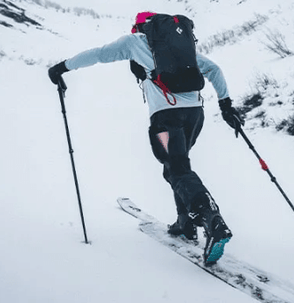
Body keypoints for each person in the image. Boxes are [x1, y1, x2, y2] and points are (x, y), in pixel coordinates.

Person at [47, 11, 244, 266]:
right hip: (195, 117)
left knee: (177, 168)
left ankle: (210, 218)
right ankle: (185, 223)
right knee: (177, 167)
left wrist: (61, 68)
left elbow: (97, 54)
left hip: (166, 120)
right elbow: (214, 70)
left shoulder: (135, 42)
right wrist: (226, 105)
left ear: (140, 28)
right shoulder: (180, 50)